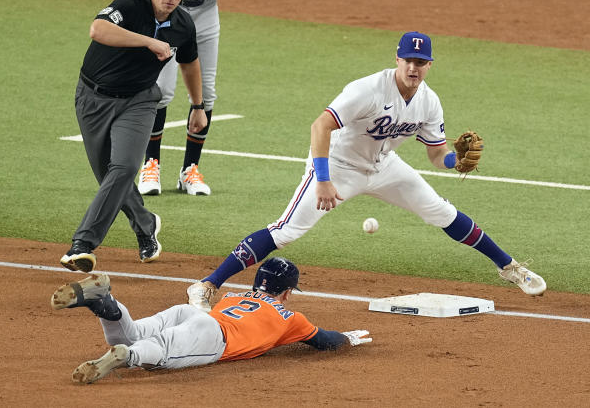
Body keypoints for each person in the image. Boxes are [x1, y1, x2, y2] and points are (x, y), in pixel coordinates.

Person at [185, 31, 547, 311]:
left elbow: (437, 156)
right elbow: (320, 127)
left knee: (440, 211)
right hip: (337, 167)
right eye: (408, 60)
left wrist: (456, 160)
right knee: (287, 230)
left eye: (421, 62)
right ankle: (207, 284)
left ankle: (510, 268)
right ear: (398, 59)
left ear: (430, 65)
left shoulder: (429, 101)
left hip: (384, 166)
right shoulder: (368, 89)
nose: (413, 68)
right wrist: (323, 180)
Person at [60, 0, 208, 273]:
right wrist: (147, 41)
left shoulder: (182, 24)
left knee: (125, 168)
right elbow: (98, 30)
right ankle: (146, 223)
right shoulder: (129, 4)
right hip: (93, 98)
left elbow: (190, 63)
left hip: (139, 102)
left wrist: (198, 106)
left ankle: (83, 244)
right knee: (108, 176)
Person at [51, 257, 372, 384]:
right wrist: (349, 338)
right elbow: (325, 342)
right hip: (211, 337)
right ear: (287, 292)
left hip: (191, 313)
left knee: (132, 332)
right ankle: (128, 357)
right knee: (157, 353)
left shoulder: (233, 296)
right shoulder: (291, 317)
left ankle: (104, 301)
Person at [120, 0, 221, 197]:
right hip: (170, 7)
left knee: (206, 93)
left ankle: (190, 170)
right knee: (160, 89)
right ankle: (151, 164)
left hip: (207, 9)